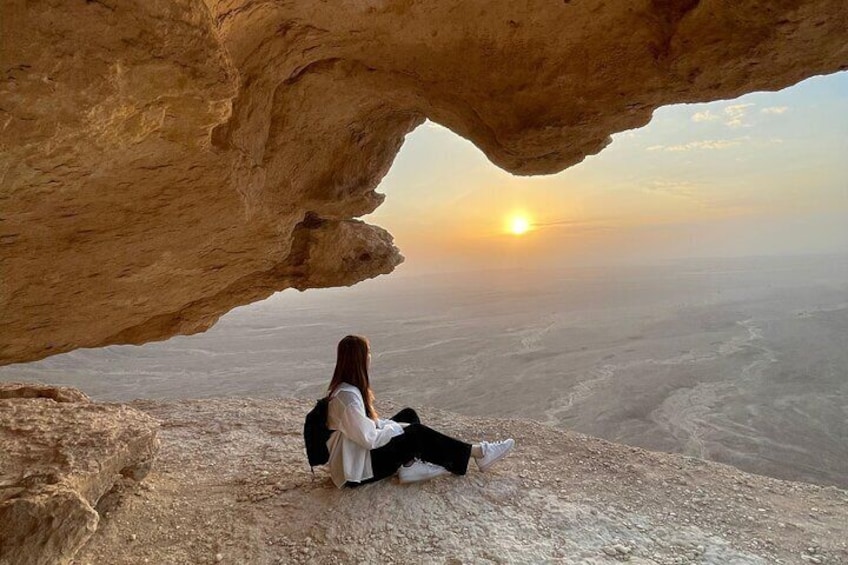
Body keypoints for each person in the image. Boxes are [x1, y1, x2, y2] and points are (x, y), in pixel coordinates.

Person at [326, 334, 515, 488]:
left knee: (408, 415)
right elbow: (369, 439)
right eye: (368, 352)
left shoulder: (347, 390)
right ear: (358, 359)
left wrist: (395, 426)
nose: (370, 357)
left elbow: (367, 427)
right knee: (415, 433)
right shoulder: (348, 399)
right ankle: (479, 453)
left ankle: (409, 466)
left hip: (359, 457)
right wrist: (397, 429)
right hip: (356, 471)